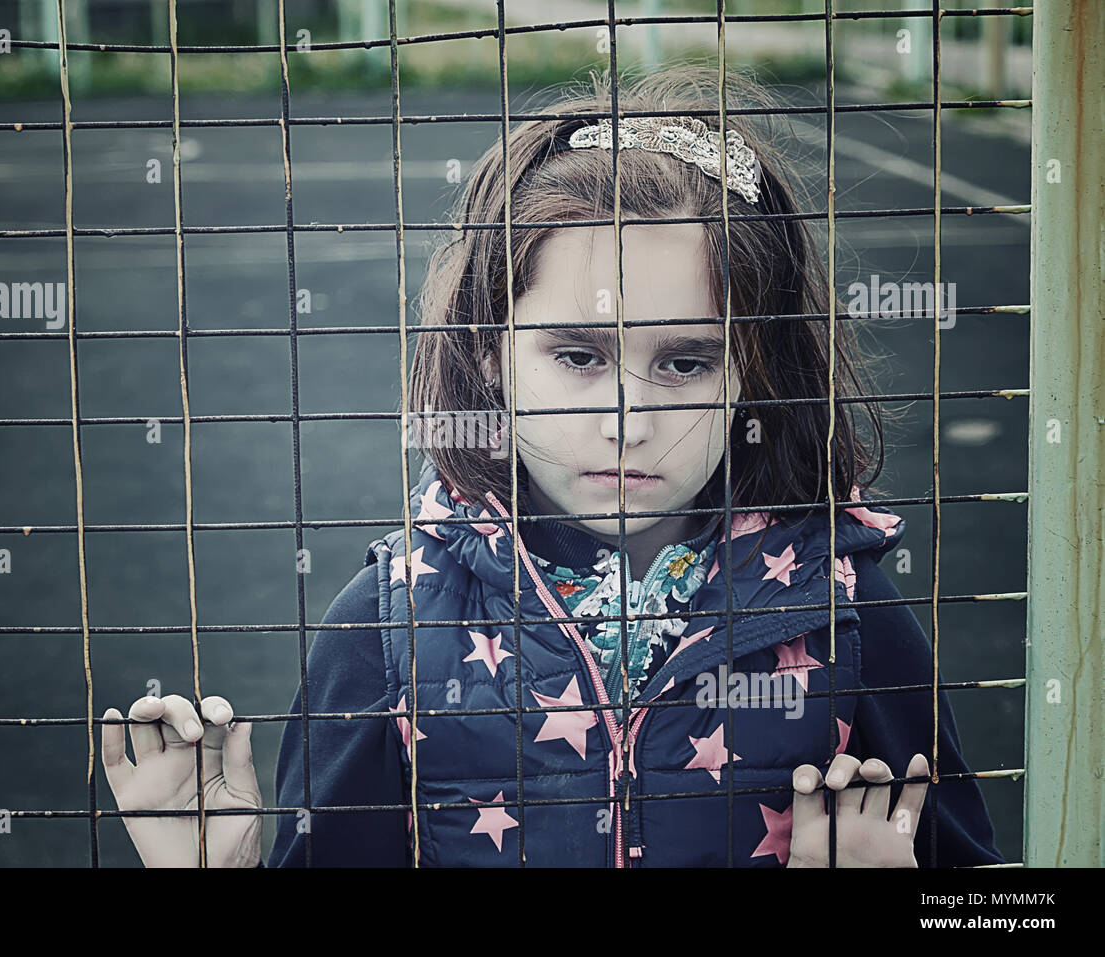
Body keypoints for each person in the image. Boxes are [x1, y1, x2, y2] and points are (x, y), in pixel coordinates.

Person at [100, 65, 1004, 868]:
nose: (630, 421)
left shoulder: (848, 612)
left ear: (754, 373)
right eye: (578, 355)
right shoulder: (389, 625)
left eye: (686, 361)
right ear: (490, 354)